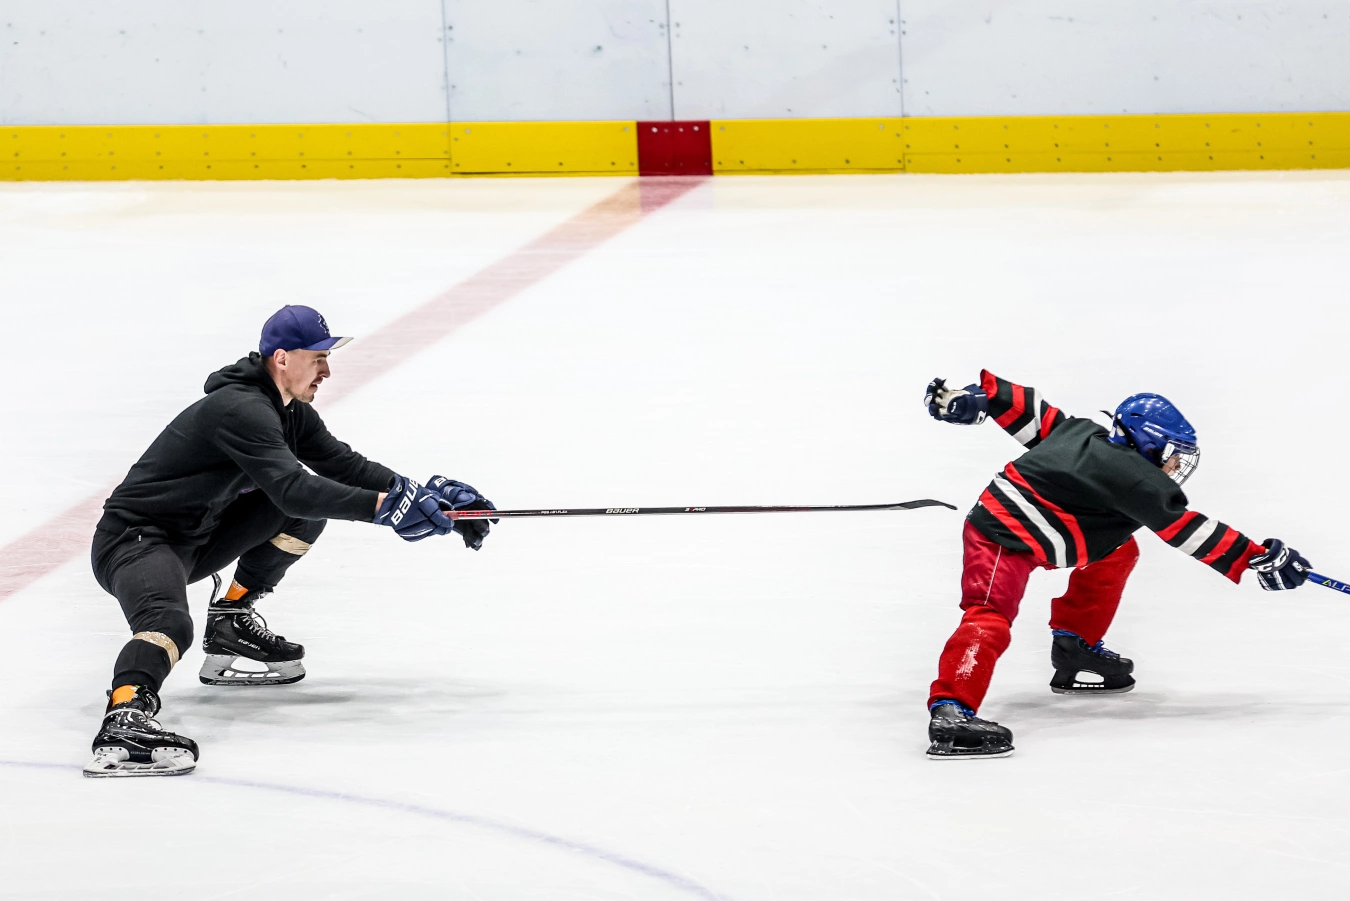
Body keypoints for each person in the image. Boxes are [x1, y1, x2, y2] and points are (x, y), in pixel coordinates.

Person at [85, 305, 496, 777]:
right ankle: (125, 716)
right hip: (136, 542)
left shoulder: (288, 410)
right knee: (169, 622)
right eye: (317, 358)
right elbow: (293, 488)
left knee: (302, 515)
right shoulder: (241, 409)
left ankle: (231, 619)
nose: (326, 371)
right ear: (282, 358)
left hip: (195, 541)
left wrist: (423, 497)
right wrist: (386, 507)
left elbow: (343, 465)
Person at [921, 371, 1311, 759]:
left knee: (1119, 551)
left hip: (1050, 531)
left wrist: (977, 397)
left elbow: (1032, 411)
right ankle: (951, 713)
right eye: (1172, 454)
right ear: (1150, 445)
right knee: (988, 615)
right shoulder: (1135, 479)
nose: (1176, 465)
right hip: (1001, 537)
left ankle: (1075, 647)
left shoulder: (1082, 434)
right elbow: (1187, 529)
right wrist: (1256, 556)